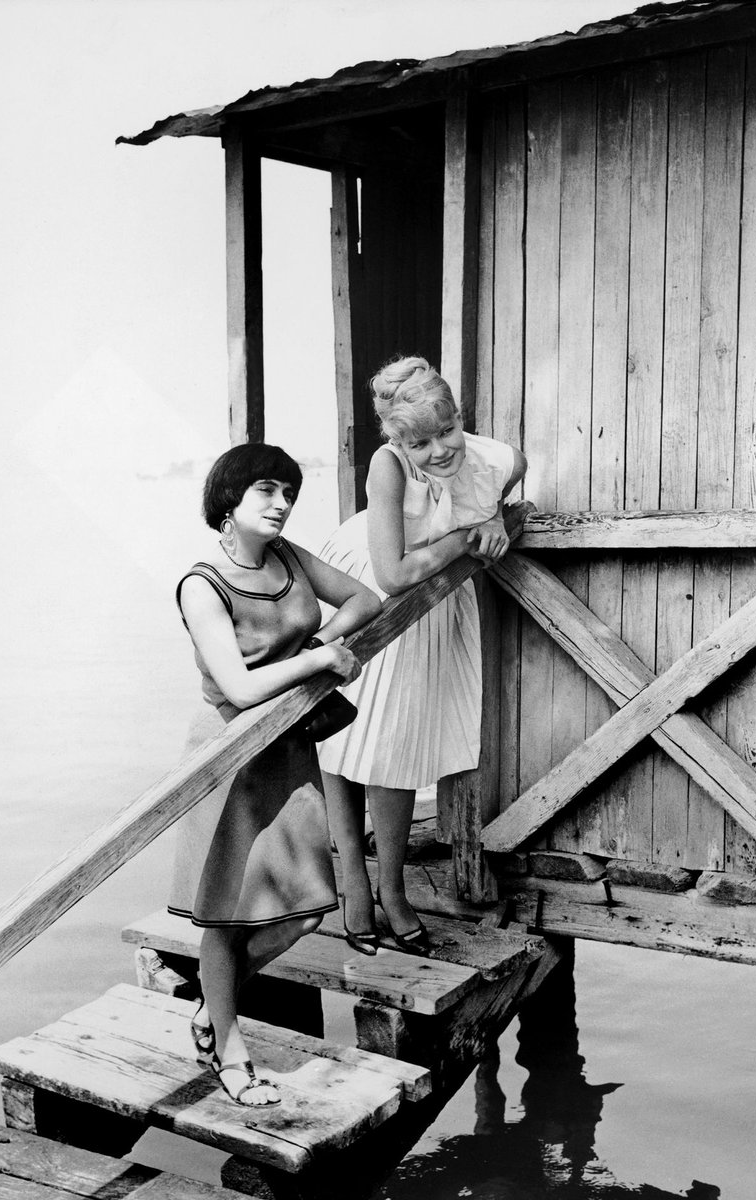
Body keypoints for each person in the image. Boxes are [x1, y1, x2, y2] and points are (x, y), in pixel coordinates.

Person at [169, 443, 380, 1108]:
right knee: (226, 920)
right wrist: (319, 663)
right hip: (231, 757)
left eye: (288, 491)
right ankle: (230, 1053)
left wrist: (321, 644)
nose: (281, 504)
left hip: (288, 750)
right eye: (265, 490)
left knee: (308, 910)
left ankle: (211, 1003)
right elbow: (236, 683)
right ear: (227, 500)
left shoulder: (290, 559)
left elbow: (364, 599)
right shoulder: (201, 584)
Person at [319, 356, 527, 956]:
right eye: (419, 442)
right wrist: (465, 538)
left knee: (399, 747)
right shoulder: (387, 468)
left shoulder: (497, 459)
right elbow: (394, 571)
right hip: (374, 588)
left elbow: (509, 481)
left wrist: (492, 519)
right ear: (395, 440)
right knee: (343, 736)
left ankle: (392, 887)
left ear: (459, 417)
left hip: (433, 607)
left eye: (447, 432)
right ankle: (352, 883)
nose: (439, 450)